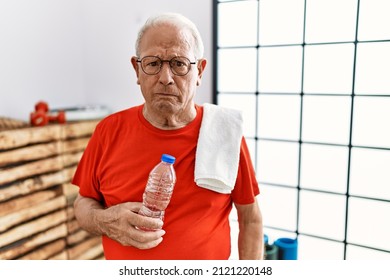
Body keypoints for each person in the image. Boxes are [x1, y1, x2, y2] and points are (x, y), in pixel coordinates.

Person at [72, 12, 263, 260]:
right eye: (152, 63)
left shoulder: (225, 133)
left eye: (179, 63)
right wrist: (104, 220)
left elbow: (251, 219)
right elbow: (83, 202)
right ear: (137, 70)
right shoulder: (109, 130)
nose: (165, 79)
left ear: (200, 71)